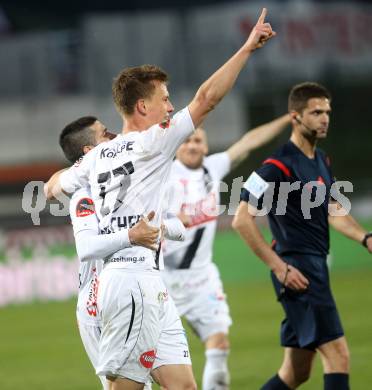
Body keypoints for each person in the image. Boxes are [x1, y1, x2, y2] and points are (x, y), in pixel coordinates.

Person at [45, 8, 276, 390]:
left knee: (185, 385)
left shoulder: (98, 156)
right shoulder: (155, 141)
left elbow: (53, 187)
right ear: (142, 107)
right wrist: (247, 49)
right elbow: (208, 98)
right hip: (129, 279)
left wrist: (168, 226)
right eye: (165, 100)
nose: (171, 108)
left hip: (151, 281)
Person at [232, 82, 372, 390]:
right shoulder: (276, 165)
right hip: (298, 271)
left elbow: (335, 210)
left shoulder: (322, 160)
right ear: (295, 116)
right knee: (339, 356)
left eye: (327, 112)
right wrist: (279, 267)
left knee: (296, 372)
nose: (325, 118)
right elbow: (242, 220)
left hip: (312, 266)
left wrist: (365, 238)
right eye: (316, 112)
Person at [162, 114, 290, 390]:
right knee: (158, 363)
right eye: (186, 141)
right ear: (177, 147)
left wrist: (287, 119)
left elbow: (248, 142)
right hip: (162, 279)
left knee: (219, 344)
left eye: (198, 141)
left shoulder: (212, 168)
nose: (193, 146)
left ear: (206, 147)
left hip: (201, 278)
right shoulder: (164, 174)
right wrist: (171, 218)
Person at [60, 116, 187, 390]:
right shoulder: (84, 195)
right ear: (88, 153)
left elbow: (179, 226)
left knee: (183, 385)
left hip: (150, 287)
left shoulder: (132, 182)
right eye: (105, 133)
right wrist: (132, 235)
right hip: (103, 298)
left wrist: (161, 227)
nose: (115, 135)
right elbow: (86, 248)